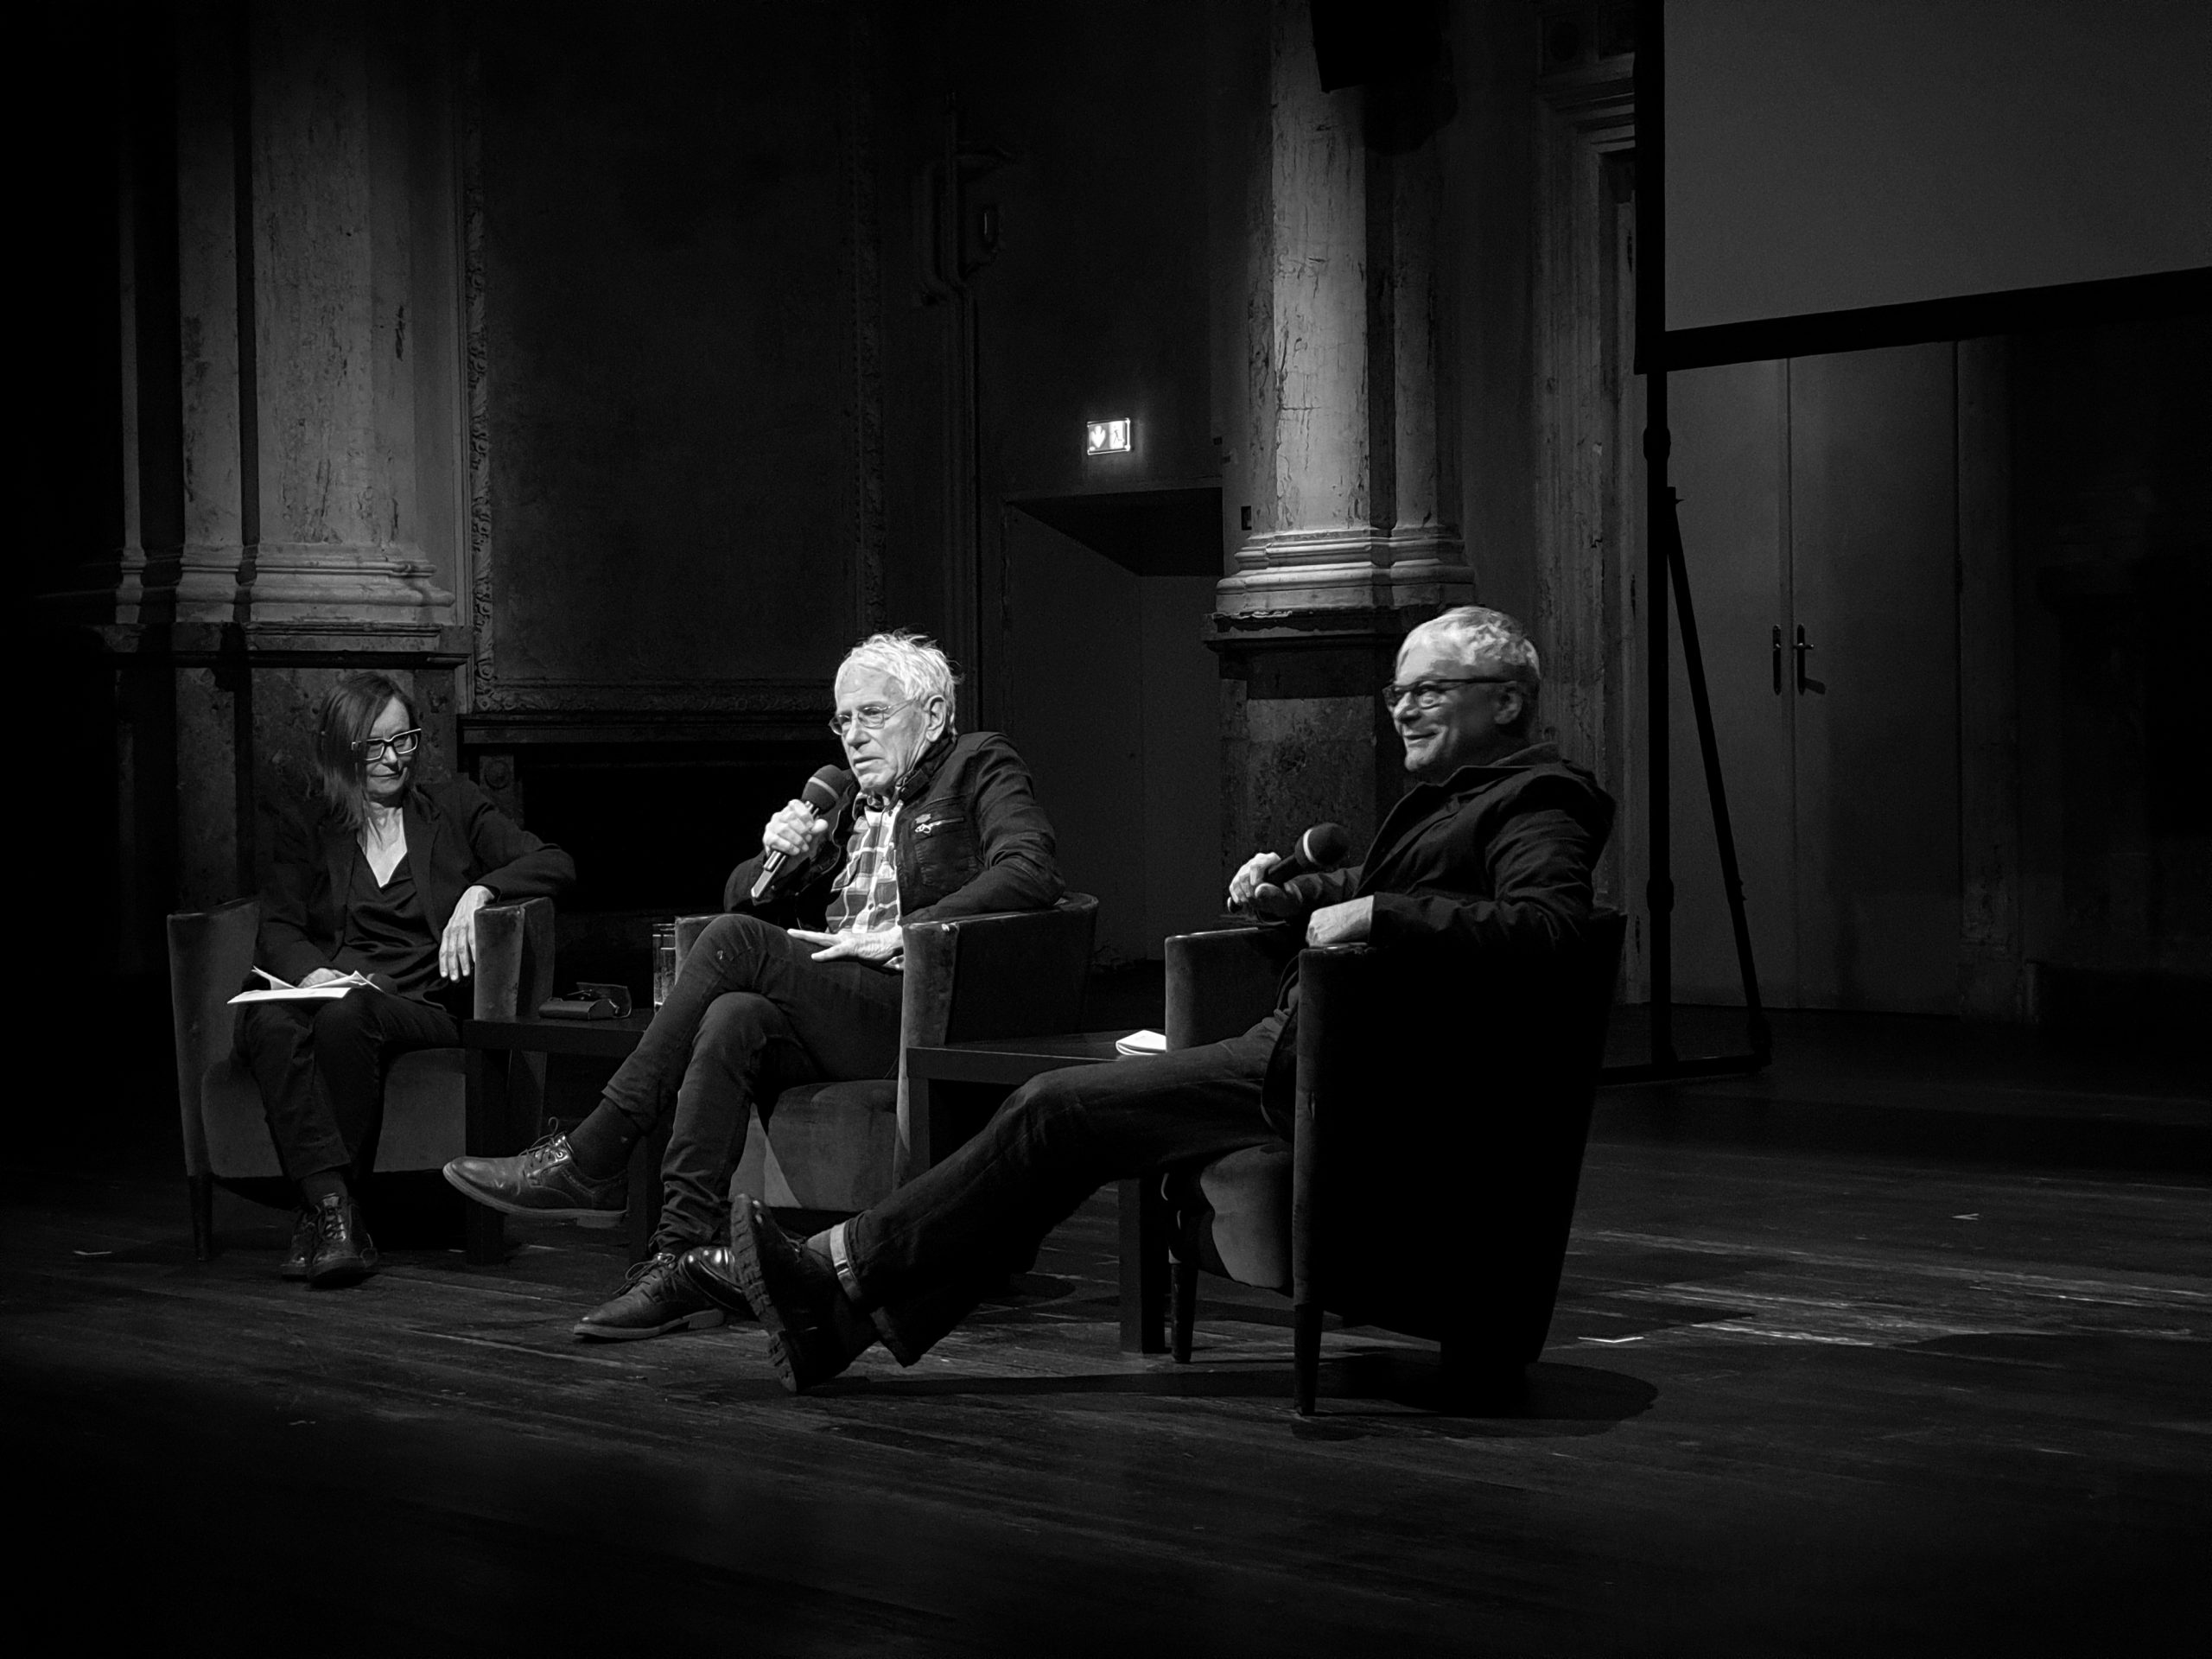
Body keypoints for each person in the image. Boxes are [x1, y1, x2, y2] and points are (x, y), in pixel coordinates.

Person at [681, 605, 1616, 1392]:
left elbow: (1554, 933)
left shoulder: (1539, 800)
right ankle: (842, 1319)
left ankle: (833, 1268)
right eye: (1397, 692)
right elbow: (1381, 894)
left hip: (1350, 1067)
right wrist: (1291, 894)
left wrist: (1380, 911)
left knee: (1054, 1107)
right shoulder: (1456, 799)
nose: (1404, 709)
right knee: (1067, 1127)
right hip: (1309, 1046)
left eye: (1429, 692)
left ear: (1506, 700)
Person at [443, 630, 1063, 1341]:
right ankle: (679, 1260)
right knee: (733, 1014)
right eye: (842, 720)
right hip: (841, 1010)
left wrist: (908, 931)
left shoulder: (979, 762)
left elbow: (1031, 868)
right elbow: (741, 900)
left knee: (735, 945)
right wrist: (779, 857)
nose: (853, 736)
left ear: (932, 713)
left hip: (919, 1008)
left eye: (871, 714)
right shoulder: (842, 800)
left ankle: (595, 1152)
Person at [237, 671, 575, 1288]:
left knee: (350, 1013)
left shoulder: (455, 807)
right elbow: (278, 927)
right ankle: (333, 1210)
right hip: (334, 990)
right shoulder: (309, 825)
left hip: (421, 1003)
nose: (394, 759)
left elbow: (554, 861)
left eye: (404, 741)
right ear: (341, 750)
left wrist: (482, 890)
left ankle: (323, 1216)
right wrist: (313, 972)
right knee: (265, 1016)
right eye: (376, 746)